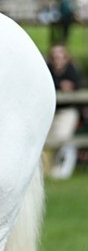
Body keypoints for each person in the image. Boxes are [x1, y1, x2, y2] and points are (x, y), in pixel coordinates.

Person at [46, 44, 83, 178]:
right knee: (48, 141)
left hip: (67, 111)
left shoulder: (72, 69)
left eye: (61, 55)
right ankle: (51, 171)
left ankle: (61, 171)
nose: (58, 59)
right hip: (50, 111)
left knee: (61, 139)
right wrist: (60, 85)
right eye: (55, 56)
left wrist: (70, 87)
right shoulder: (47, 69)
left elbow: (78, 85)